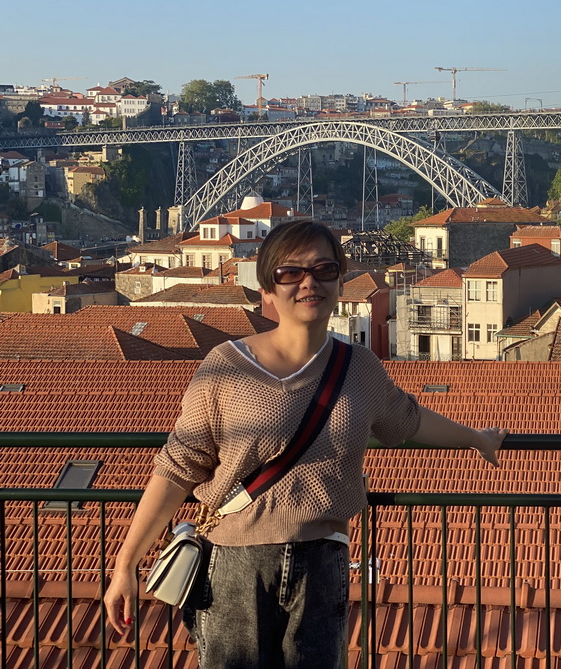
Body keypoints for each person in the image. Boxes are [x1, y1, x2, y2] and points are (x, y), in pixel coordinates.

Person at [104, 219, 507, 668]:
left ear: (339, 282)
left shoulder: (360, 368)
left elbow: (407, 419)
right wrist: (125, 565)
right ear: (267, 292)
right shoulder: (225, 368)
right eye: (289, 273)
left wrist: (475, 438)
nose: (309, 282)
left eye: (324, 269)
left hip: (322, 562)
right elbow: (178, 469)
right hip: (236, 565)